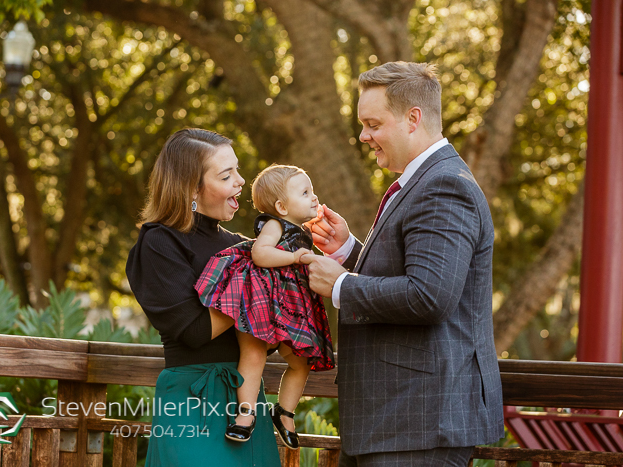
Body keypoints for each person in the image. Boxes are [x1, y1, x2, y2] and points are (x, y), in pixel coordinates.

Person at [300, 62, 504, 466]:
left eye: (373, 123)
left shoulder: (445, 186)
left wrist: (340, 284)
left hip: (419, 423)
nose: (363, 136)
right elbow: (414, 275)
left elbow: (430, 297)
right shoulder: (422, 180)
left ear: (413, 119)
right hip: (394, 421)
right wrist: (349, 252)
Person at [125, 128, 280, 467]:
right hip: (191, 402)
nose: (241, 181)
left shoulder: (243, 248)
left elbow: (268, 337)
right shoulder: (159, 243)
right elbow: (195, 331)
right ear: (192, 188)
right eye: (227, 175)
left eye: (237, 169)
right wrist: (251, 288)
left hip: (247, 402)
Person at [195, 164, 335, 449]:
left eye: (312, 191)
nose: (314, 197)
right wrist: (297, 257)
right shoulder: (276, 225)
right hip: (260, 298)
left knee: (301, 360)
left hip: (291, 302)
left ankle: (284, 412)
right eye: (305, 192)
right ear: (282, 206)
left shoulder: (302, 231)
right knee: (254, 351)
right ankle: (245, 414)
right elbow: (260, 254)